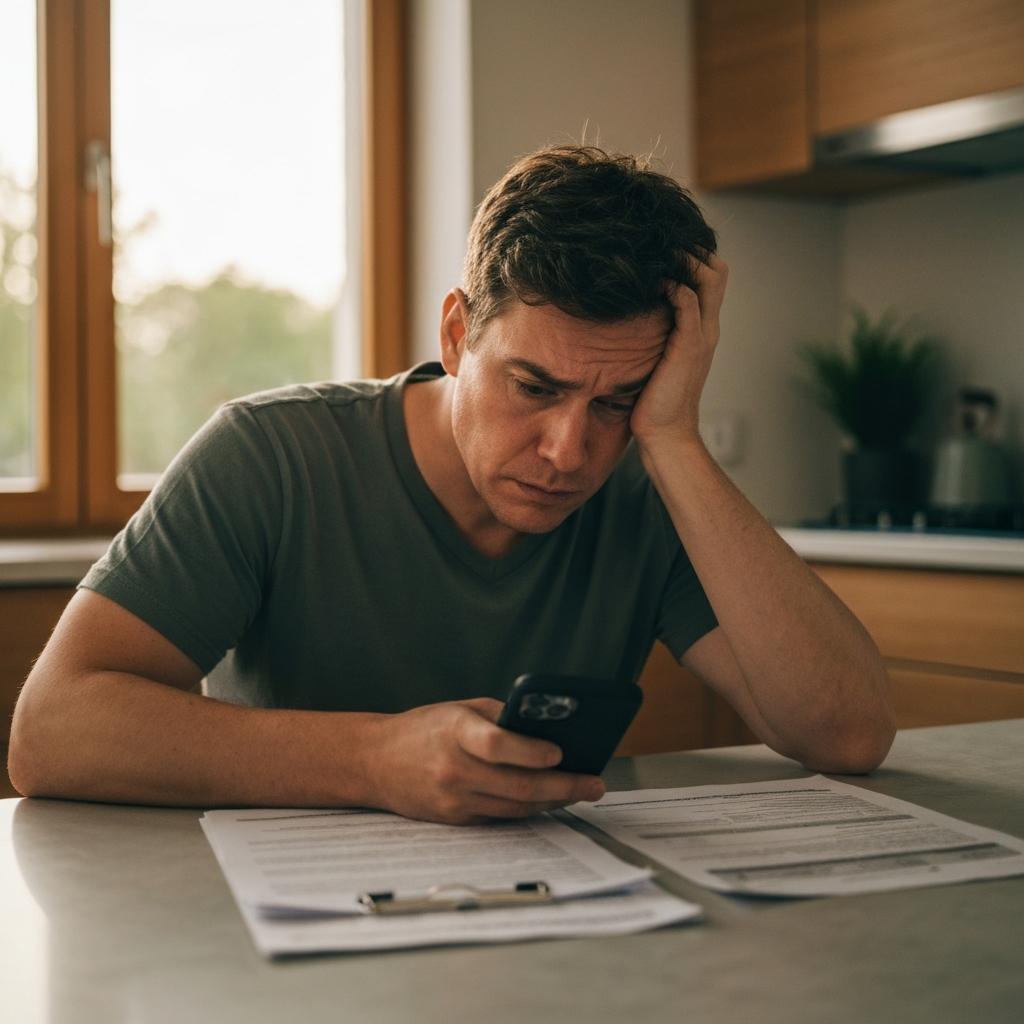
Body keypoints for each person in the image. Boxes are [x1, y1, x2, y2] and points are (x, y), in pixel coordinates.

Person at [9, 146, 895, 823]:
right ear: (458, 333)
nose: (567, 451)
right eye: (535, 387)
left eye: (619, 401)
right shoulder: (270, 455)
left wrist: (672, 435)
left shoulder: (651, 489)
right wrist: (373, 758)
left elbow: (846, 734)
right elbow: (52, 732)